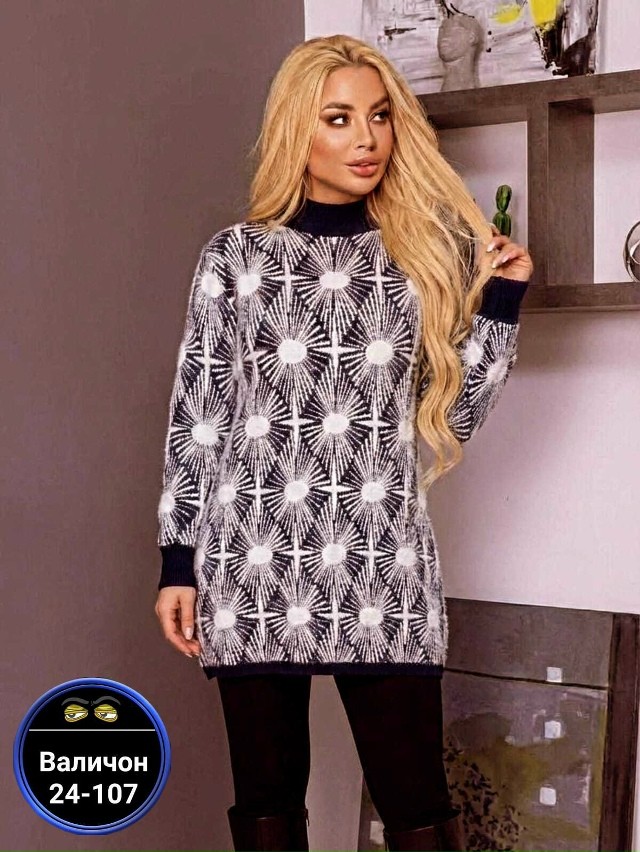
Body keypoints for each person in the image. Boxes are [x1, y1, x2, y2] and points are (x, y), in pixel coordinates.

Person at [154, 33, 533, 852]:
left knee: (418, 806)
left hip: (382, 563)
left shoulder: (419, 259)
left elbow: (448, 422)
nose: (367, 139)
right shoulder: (235, 258)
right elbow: (199, 416)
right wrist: (178, 562)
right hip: (253, 560)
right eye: (339, 118)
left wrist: (501, 306)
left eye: (380, 117)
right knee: (266, 804)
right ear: (299, 129)